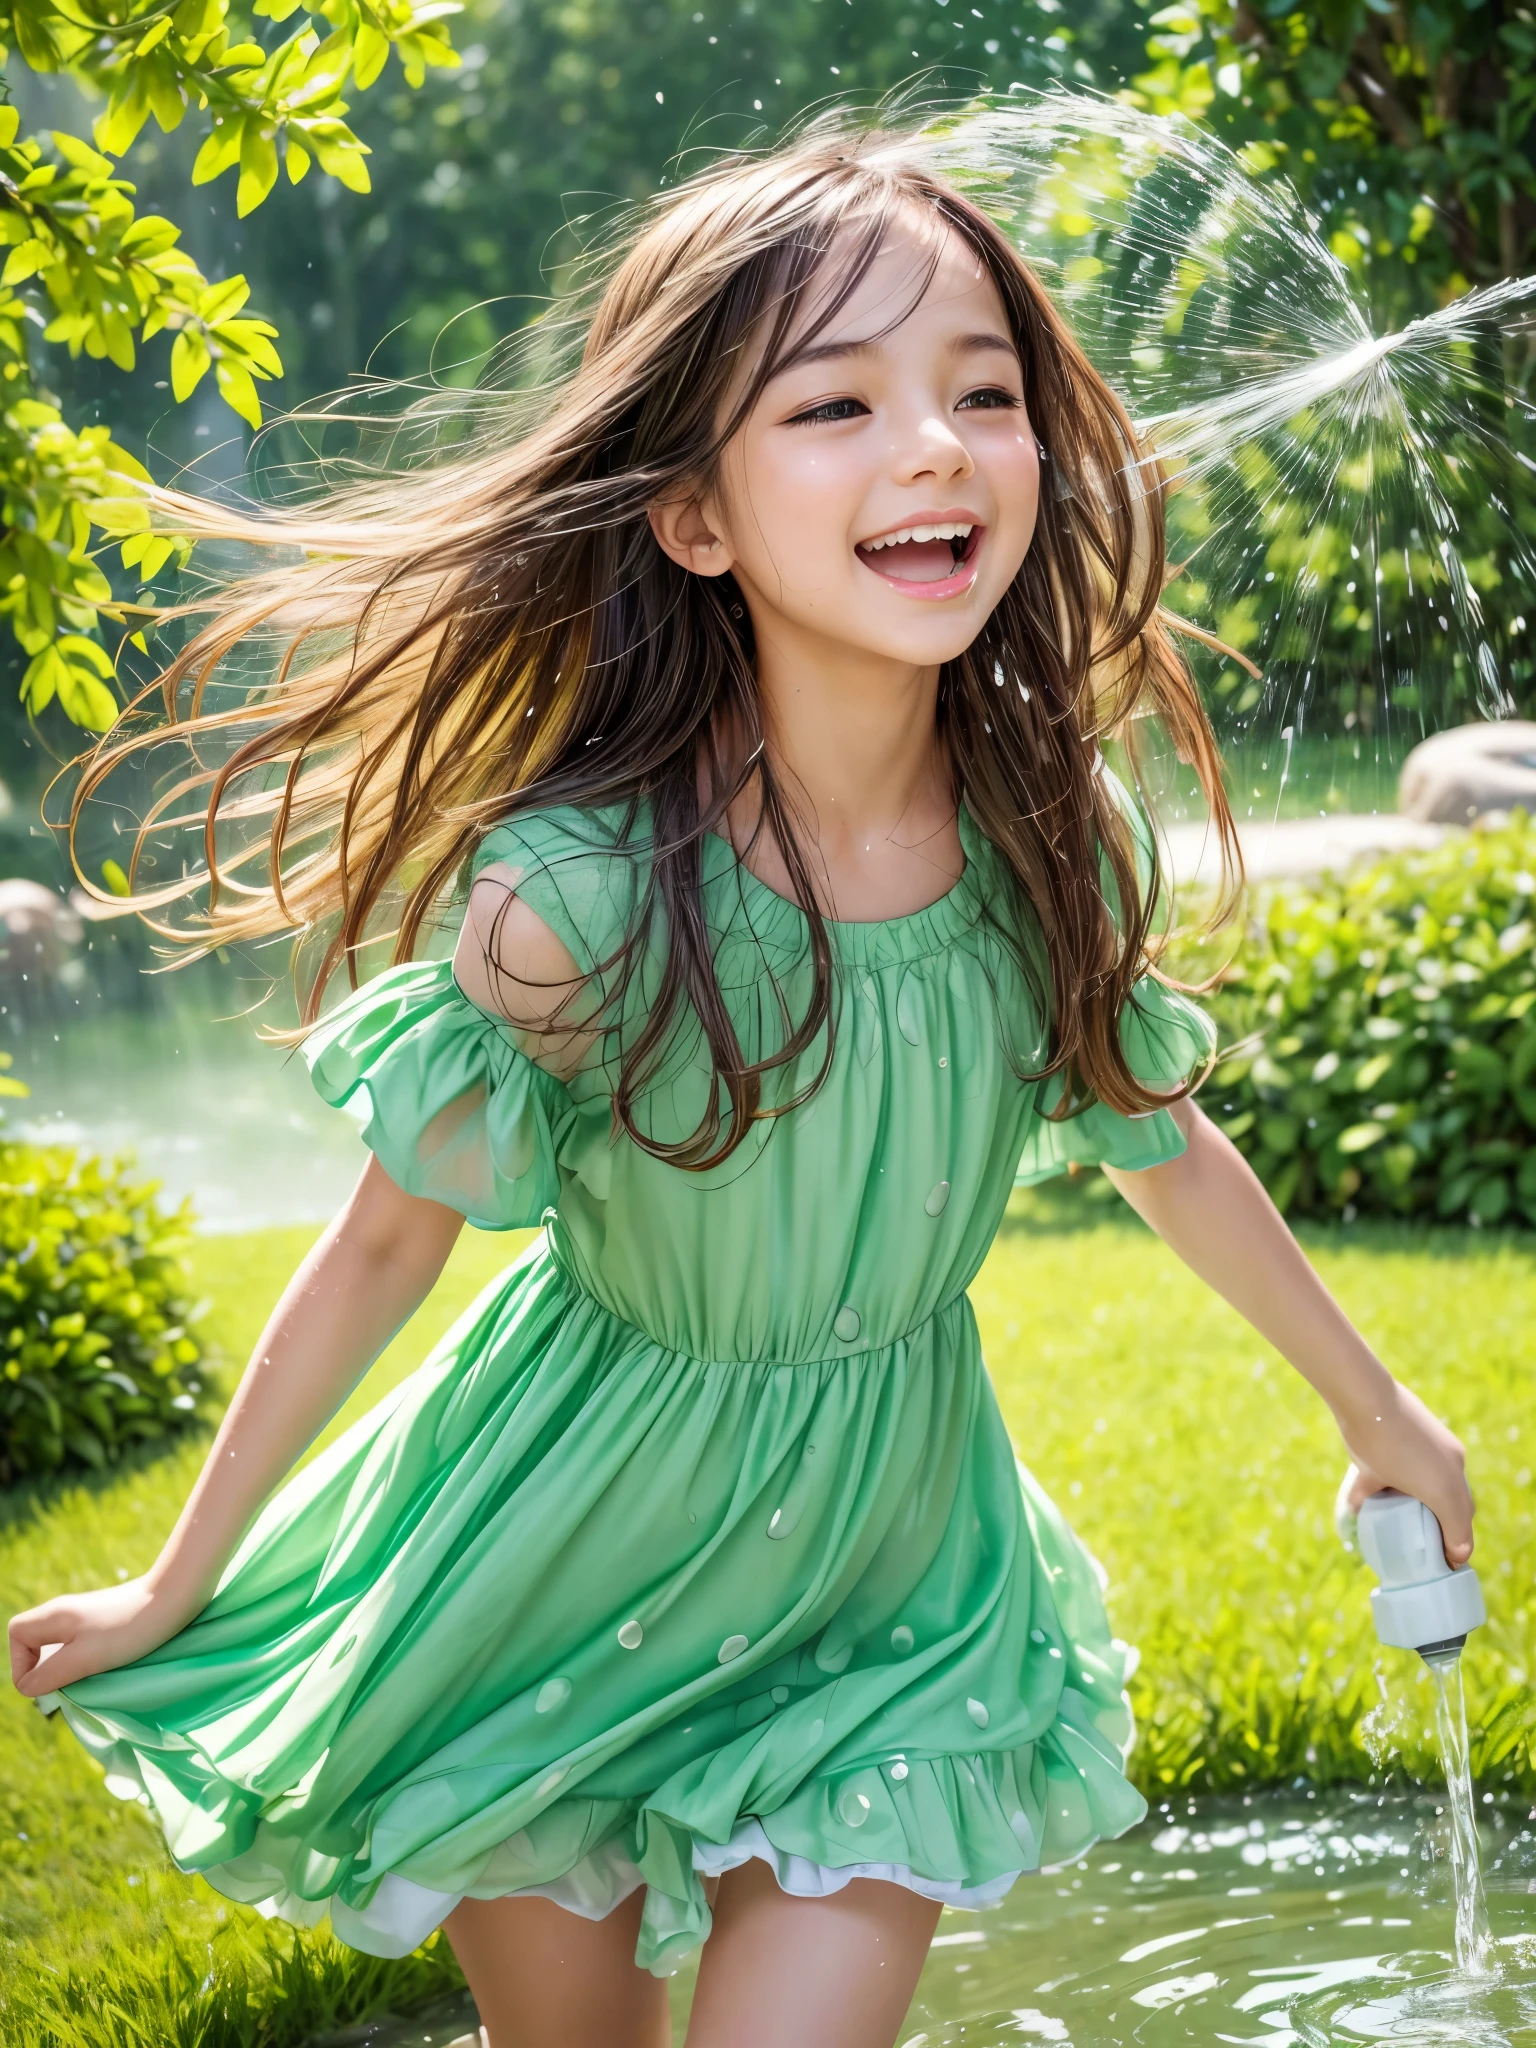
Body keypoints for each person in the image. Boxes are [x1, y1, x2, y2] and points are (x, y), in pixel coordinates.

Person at [9, 118, 1473, 2048]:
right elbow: (378, 1255)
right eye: (833, 407)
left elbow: (1161, 1142)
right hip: (557, 1570)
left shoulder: (1052, 832)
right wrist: (176, 1584)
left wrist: (1383, 1415)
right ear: (691, 515)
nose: (935, 445)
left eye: (981, 393)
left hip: (889, 1579)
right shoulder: (581, 898)